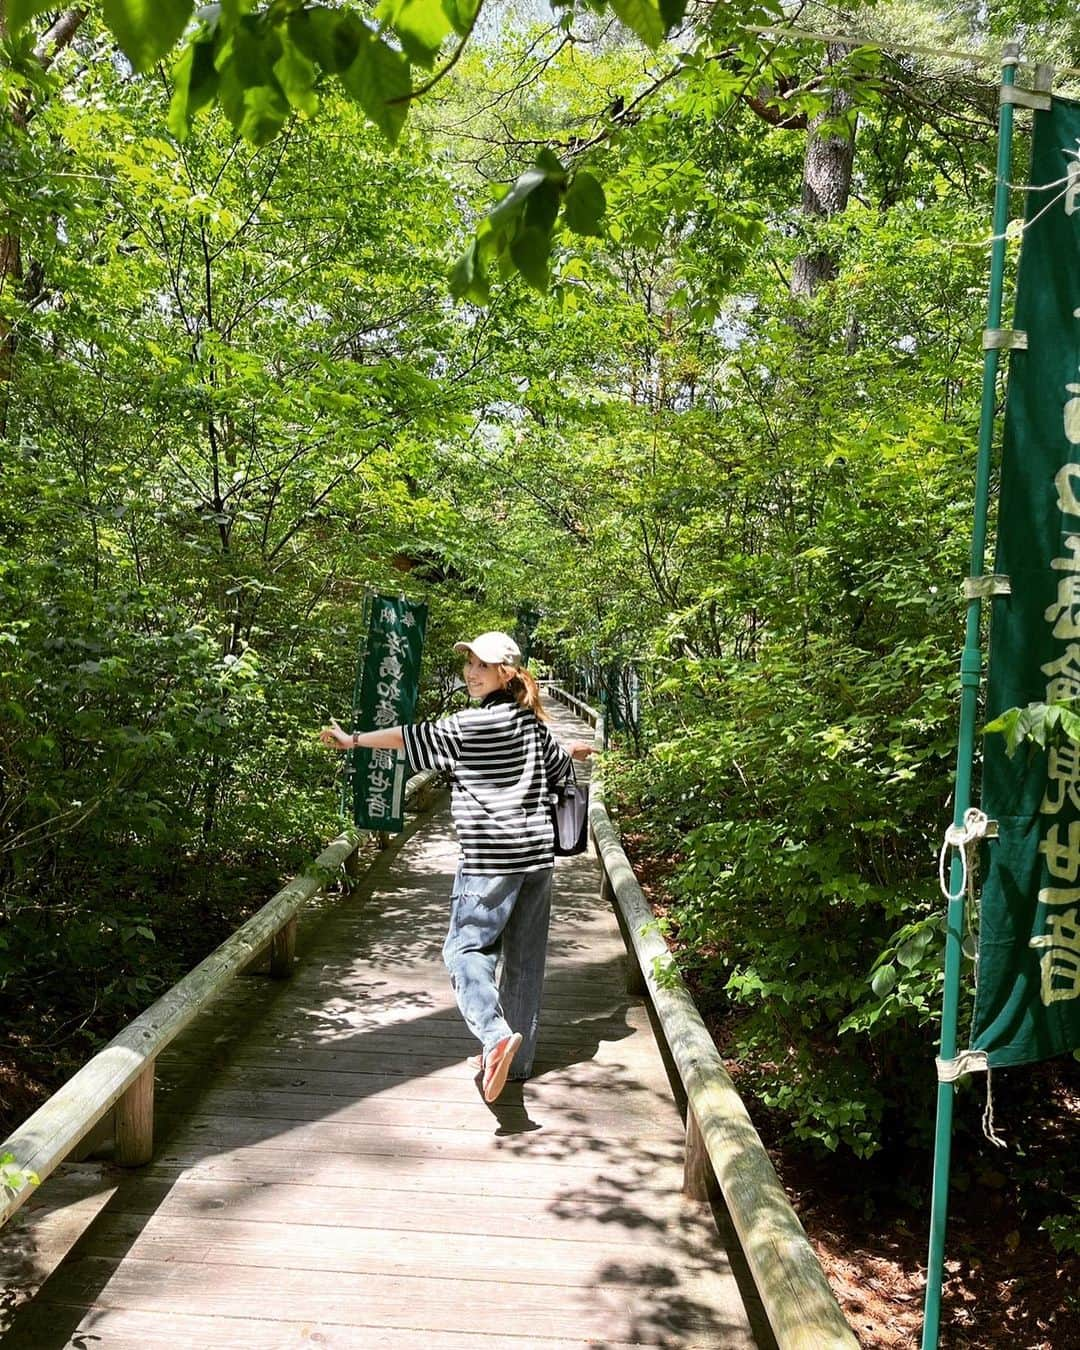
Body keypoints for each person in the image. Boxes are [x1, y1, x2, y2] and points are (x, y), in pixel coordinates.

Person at [320, 631, 594, 1103]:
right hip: (536, 858)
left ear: (505, 673)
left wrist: (352, 741)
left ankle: (493, 1036)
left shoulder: (470, 726)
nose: (471, 673)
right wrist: (572, 753)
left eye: (481, 666)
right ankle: (518, 1065)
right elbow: (557, 772)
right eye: (469, 664)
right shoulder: (533, 726)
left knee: (464, 949)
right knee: (525, 961)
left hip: (489, 858)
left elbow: (409, 738)